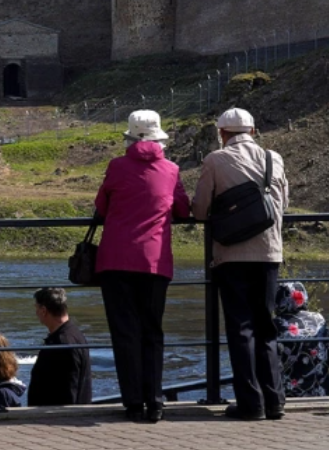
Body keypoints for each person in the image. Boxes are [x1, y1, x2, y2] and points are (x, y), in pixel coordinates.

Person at [94, 110, 190, 423]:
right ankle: (155, 402)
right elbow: (183, 209)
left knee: (125, 333)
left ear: (130, 137)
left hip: (115, 260)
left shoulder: (116, 166)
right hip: (154, 261)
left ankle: (133, 403)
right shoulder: (171, 169)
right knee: (153, 331)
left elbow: (101, 206)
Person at [193, 108, 288, 421]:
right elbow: (282, 205)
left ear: (222, 134)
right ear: (253, 131)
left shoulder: (215, 160)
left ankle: (251, 403)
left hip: (232, 256)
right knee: (266, 327)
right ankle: (275, 400)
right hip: (269, 253)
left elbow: (200, 211)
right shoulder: (274, 158)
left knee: (241, 328)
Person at [27, 288, 92, 407]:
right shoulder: (74, 334)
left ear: (43, 310)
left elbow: (70, 389)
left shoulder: (63, 343)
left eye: (36, 308)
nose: (36, 313)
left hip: (56, 415)